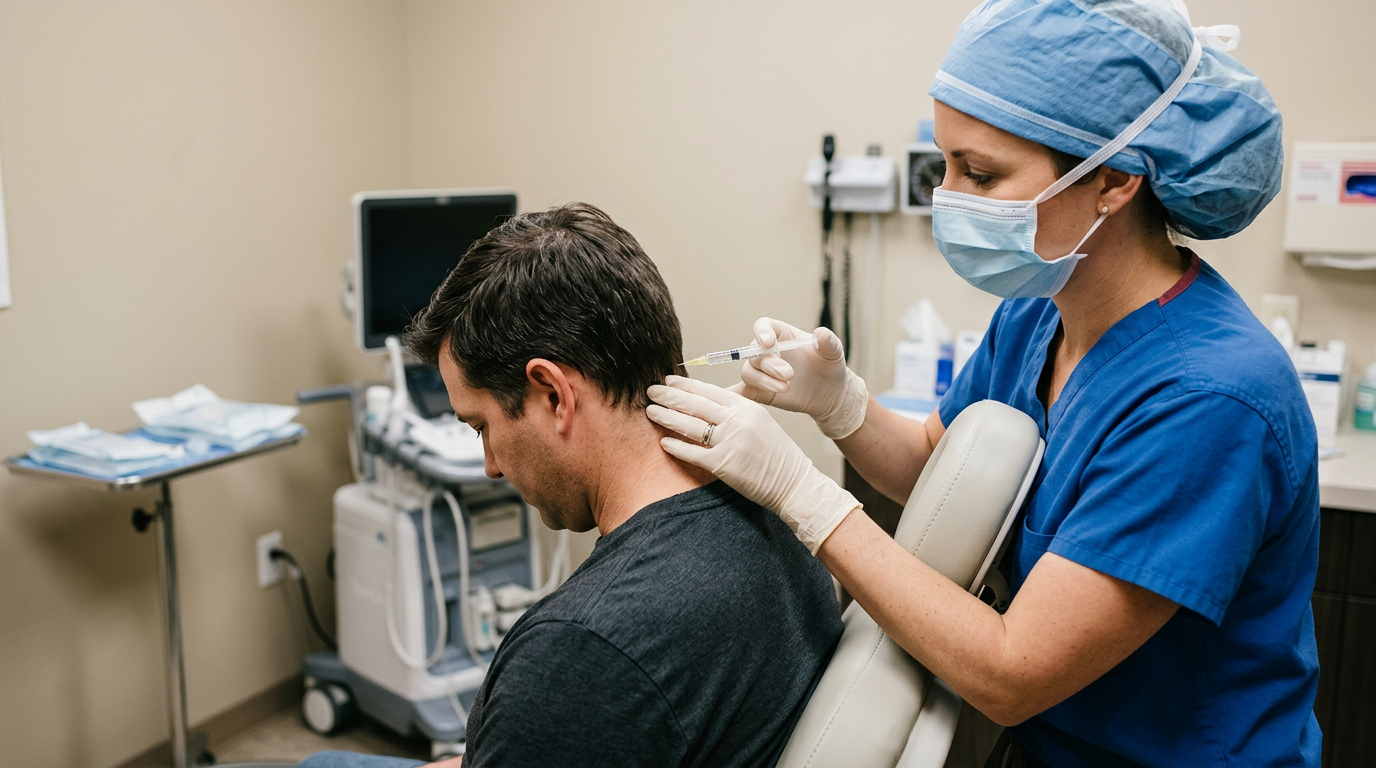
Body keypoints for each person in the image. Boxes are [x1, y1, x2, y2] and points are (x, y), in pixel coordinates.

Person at [647, 1, 1321, 765]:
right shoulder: (1039, 315)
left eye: (981, 172)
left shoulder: (1208, 401)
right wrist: (840, 405)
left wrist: (802, 495)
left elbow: (1011, 672)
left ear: (1114, 182)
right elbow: (934, 465)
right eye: (946, 164)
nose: (949, 196)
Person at [301, 203, 842, 768]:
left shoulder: (581, 651)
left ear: (554, 395)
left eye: (482, 426)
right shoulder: (774, 513)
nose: (489, 464)